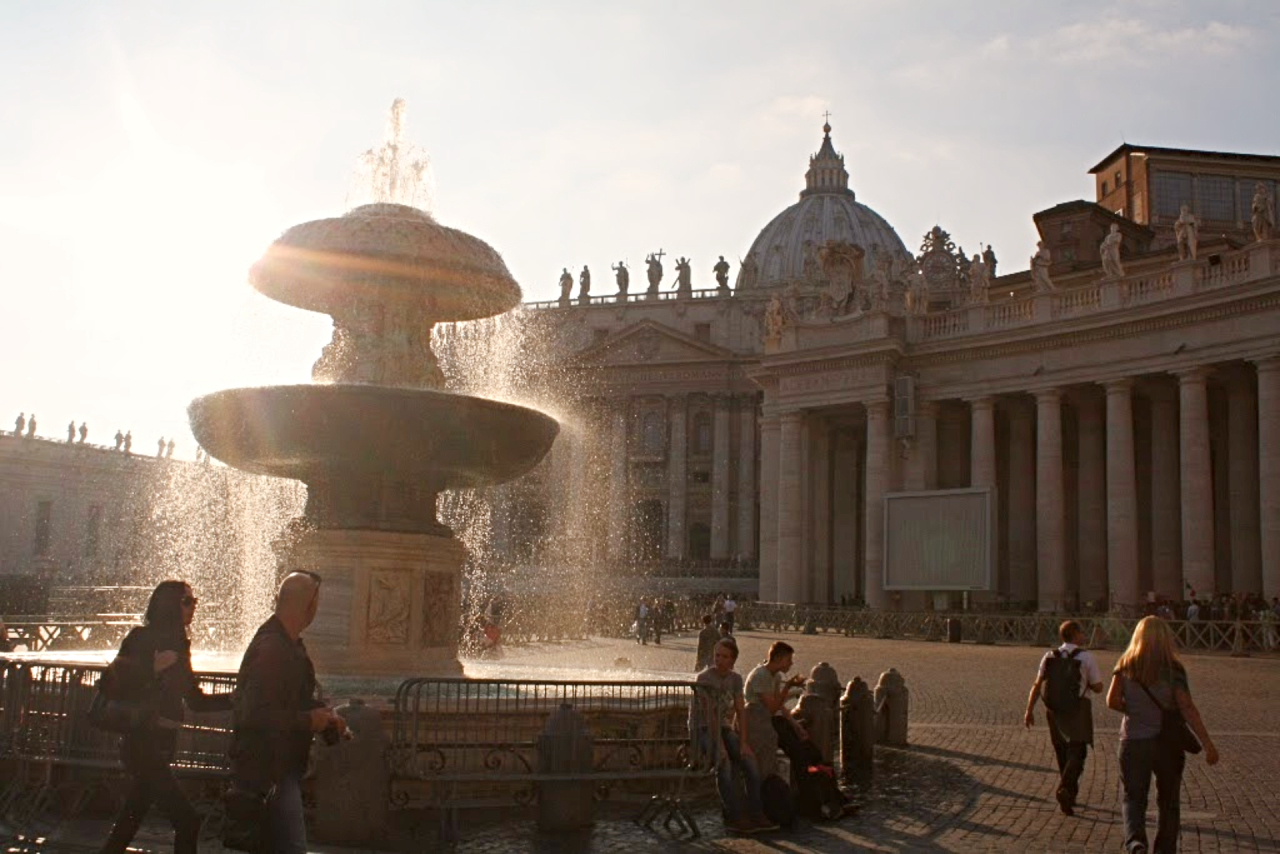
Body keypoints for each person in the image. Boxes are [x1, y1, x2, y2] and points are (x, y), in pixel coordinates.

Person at [99, 580, 233, 854]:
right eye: (187, 602)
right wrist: (151, 669)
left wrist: (235, 698)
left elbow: (195, 701)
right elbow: (108, 684)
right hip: (141, 743)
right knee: (188, 820)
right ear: (169, 605)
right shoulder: (140, 638)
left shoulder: (180, 648)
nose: (193, 607)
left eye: (194, 601)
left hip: (163, 744)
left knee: (130, 820)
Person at [231, 571, 345, 854]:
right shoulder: (273, 648)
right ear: (309, 603)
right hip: (269, 768)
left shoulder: (290, 645)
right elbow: (254, 714)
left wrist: (324, 719)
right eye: (317, 600)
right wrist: (309, 720)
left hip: (280, 765)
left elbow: (292, 701)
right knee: (291, 848)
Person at [1106, 616, 1219, 854]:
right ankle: (1164, 849)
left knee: (1133, 798)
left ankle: (1135, 843)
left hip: (1133, 741)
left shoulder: (1126, 664)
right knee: (1168, 802)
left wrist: (1134, 710)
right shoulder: (1173, 669)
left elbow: (1112, 701)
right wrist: (1207, 744)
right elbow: (1187, 707)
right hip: (1167, 742)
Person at [691, 639, 775, 834]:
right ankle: (734, 816)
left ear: (733, 660)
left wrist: (744, 743)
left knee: (751, 762)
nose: (719, 660)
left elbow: (741, 711)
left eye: (725, 657)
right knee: (724, 765)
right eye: (717, 655)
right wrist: (720, 747)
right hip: (702, 729)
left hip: (723, 727)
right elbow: (709, 716)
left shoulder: (735, 679)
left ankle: (757, 812)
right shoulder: (704, 678)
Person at [1023, 620, 1103, 816]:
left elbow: (1037, 684)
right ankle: (1066, 789)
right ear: (1075, 634)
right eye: (1081, 632)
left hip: (1055, 710)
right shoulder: (1086, 657)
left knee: (1062, 751)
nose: (1084, 635)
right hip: (1078, 708)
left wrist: (1029, 710)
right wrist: (1090, 684)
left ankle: (1068, 795)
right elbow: (1098, 687)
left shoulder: (1049, 655)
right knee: (1078, 752)